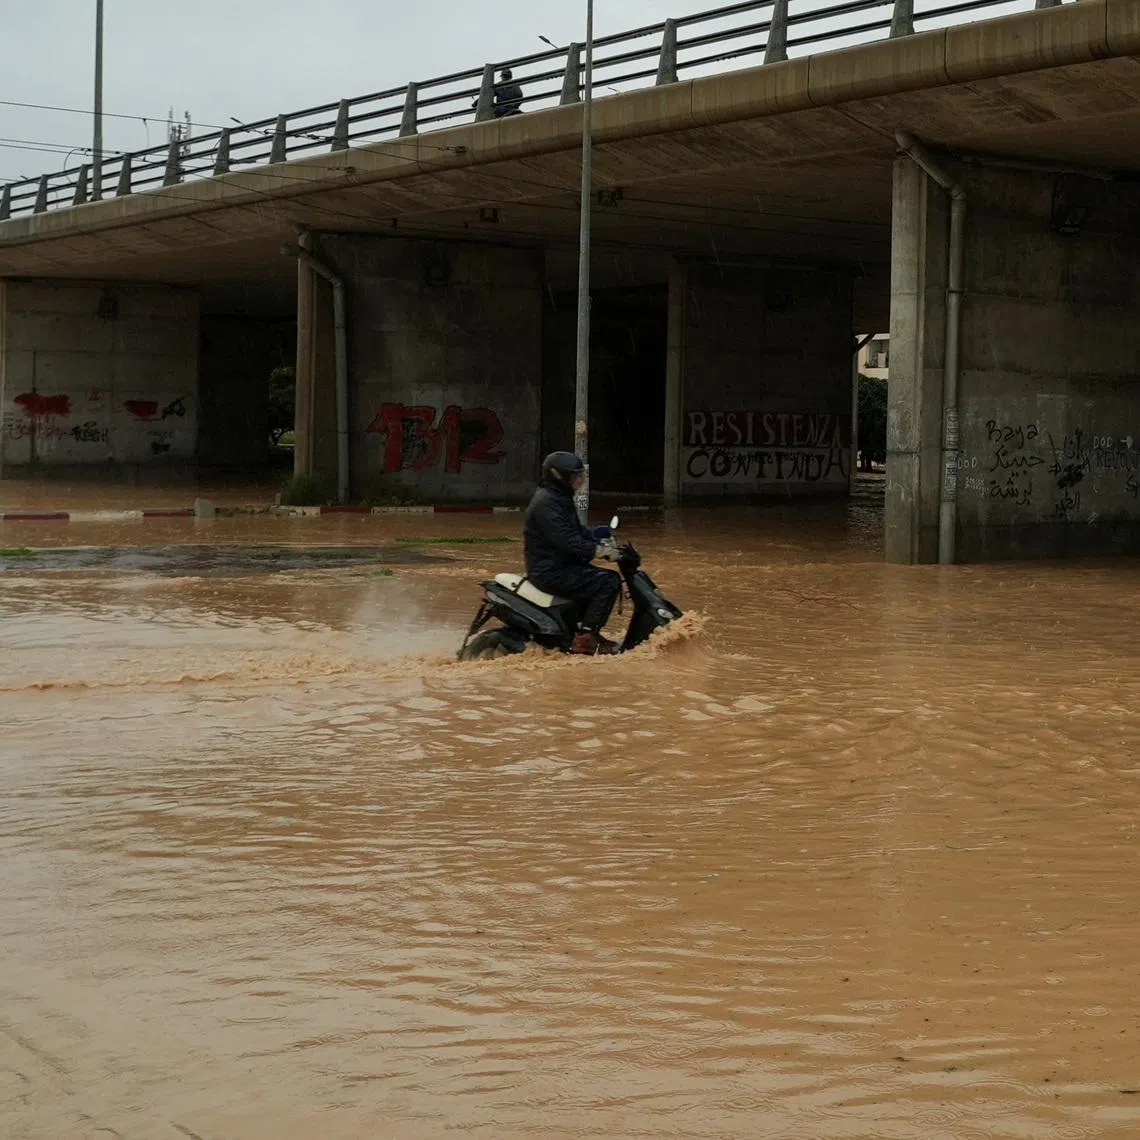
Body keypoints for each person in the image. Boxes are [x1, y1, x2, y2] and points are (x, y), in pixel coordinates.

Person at [524, 451, 621, 656]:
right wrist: (599, 550)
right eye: (575, 476)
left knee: (596, 579)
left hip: (560, 566)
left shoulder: (559, 498)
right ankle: (586, 638)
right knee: (608, 581)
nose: (580, 480)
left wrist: (596, 534)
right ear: (559, 477)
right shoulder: (547, 503)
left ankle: (580, 629)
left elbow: (575, 533)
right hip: (550, 571)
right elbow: (567, 541)